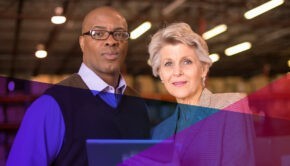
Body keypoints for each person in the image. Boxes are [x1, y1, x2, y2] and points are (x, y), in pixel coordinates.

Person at [7, 6, 150, 166]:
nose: (111, 41)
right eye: (98, 34)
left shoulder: (138, 104)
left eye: (119, 34)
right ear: (82, 43)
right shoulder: (51, 106)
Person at [146, 22, 255, 165]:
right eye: (168, 64)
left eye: (186, 61)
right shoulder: (159, 133)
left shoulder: (230, 107)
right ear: (160, 74)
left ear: (203, 69)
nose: (177, 72)